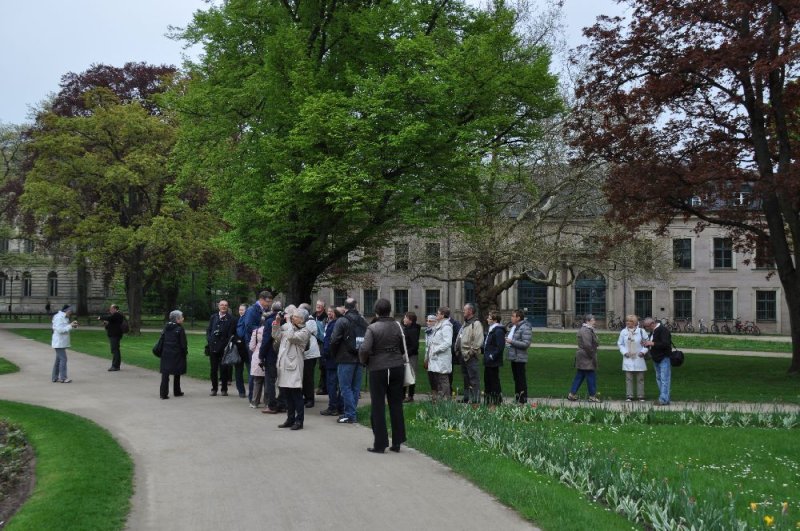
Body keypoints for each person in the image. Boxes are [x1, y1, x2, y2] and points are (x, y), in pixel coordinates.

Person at [359, 298, 406, 453]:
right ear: (390, 310)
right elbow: (402, 348)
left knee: (378, 405)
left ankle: (380, 444)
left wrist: (364, 361)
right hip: (397, 366)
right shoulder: (398, 326)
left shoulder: (372, 328)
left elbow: (365, 349)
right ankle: (397, 441)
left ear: (376, 311)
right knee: (396, 404)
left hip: (378, 368)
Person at [329, 297, 369, 424]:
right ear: (356, 306)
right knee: (355, 388)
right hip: (360, 357)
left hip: (345, 358)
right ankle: (352, 412)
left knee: (345, 387)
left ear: (345, 307)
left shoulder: (342, 321)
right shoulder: (363, 321)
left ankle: (350, 414)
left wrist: (334, 354)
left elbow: (334, 340)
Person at [272, 307, 310, 430]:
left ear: (302, 319)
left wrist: (288, 322)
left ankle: (299, 421)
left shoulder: (305, 331)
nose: (293, 317)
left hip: (294, 367)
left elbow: (291, 337)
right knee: (287, 394)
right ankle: (290, 419)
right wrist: (277, 323)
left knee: (296, 395)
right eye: (292, 316)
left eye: (295, 316)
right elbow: (276, 335)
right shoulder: (289, 327)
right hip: (284, 366)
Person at [241, 291, 273, 400]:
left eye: (270, 302)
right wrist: (264, 330)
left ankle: (264, 398)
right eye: (267, 301)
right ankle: (252, 398)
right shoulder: (251, 310)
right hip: (253, 343)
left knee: (264, 370)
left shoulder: (267, 310)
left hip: (264, 343)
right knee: (255, 370)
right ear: (261, 299)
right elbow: (249, 326)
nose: (269, 304)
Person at [259, 301, 286, 414]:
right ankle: (282, 403)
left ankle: (272, 405)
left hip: (272, 354)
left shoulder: (270, 321)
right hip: (284, 354)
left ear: (272, 309)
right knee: (283, 379)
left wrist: (261, 355)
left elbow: (266, 340)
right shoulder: (286, 320)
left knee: (270, 380)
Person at [206, 300, 237, 396]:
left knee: (224, 369)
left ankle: (224, 389)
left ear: (227, 307)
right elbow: (209, 330)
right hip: (213, 347)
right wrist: (210, 340)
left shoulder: (231, 319)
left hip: (224, 348)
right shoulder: (213, 317)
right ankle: (214, 389)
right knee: (213, 369)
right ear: (218, 306)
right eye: (222, 305)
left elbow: (231, 335)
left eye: (225, 305)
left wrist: (225, 345)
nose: (223, 306)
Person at [568, 314, 600, 402]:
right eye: (593, 320)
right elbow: (587, 345)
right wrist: (592, 354)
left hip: (583, 355)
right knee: (590, 375)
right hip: (586, 356)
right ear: (587, 321)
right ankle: (592, 395)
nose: (594, 322)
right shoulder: (586, 330)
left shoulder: (587, 329)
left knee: (580, 375)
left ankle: (572, 394)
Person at [456, 303, 483, 404]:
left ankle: (475, 399)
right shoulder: (465, 323)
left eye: (465, 310)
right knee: (466, 378)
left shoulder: (476, 324)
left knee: (473, 378)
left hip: (470, 356)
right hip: (463, 355)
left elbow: (478, 341)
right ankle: (467, 397)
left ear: (470, 311)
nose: (463, 311)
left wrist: (470, 353)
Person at [617, 315, 648, 402]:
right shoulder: (623, 332)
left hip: (639, 357)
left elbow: (647, 343)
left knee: (640, 378)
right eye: (627, 321)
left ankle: (641, 395)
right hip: (628, 357)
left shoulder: (641, 331)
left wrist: (643, 352)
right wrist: (624, 352)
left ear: (634, 322)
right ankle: (629, 395)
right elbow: (620, 344)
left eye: (630, 321)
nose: (628, 323)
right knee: (628, 378)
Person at [425, 307, 453, 401]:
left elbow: (447, 343)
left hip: (442, 358)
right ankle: (441, 400)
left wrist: (436, 350)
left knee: (443, 378)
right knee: (438, 379)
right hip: (436, 358)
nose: (436, 315)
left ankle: (446, 400)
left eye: (438, 313)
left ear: (442, 315)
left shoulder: (446, 327)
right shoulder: (439, 325)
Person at [642, 317, 672, 406]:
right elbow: (653, 344)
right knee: (659, 379)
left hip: (664, 357)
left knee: (664, 379)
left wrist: (652, 343)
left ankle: (663, 399)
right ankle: (665, 398)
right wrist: (646, 344)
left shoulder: (663, 330)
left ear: (652, 324)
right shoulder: (653, 331)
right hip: (656, 358)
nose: (646, 329)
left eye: (646, 327)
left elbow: (666, 344)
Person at [505, 309, 533, 404]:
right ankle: (517, 399)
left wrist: (511, 342)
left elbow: (526, 344)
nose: (511, 318)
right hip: (514, 357)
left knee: (521, 380)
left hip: (520, 357)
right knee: (516, 379)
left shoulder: (525, 327)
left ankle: (522, 400)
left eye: (513, 316)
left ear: (518, 318)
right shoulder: (515, 327)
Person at [320, 306, 343, 416]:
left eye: (331, 312)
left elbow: (328, 341)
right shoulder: (342, 324)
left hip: (331, 359)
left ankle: (333, 407)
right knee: (340, 384)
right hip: (340, 357)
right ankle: (340, 406)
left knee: (332, 384)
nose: (329, 314)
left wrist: (325, 354)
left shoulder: (332, 325)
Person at [159, 310, 188, 400]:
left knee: (165, 374)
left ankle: (163, 393)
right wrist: (185, 352)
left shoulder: (166, 327)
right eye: (181, 317)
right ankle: (177, 391)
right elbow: (183, 344)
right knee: (177, 372)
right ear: (177, 319)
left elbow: (162, 340)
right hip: (177, 354)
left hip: (166, 353)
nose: (183, 319)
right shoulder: (180, 329)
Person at [299, 303, 321, 408]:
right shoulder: (306, 320)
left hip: (310, 354)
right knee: (304, 376)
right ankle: (305, 396)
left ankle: (310, 399)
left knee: (308, 377)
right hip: (305, 353)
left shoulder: (310, 321)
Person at [483, 311, 505, 406]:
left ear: (495, 320)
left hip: (493, 361)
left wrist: (492, 356)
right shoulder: (491, 329)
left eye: (489, 318)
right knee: (487, 381)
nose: (487, 319)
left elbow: (500, 347)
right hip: (488, 360)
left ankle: (497, 401)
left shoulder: (498, 330)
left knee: (494, 381)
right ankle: (488, 401)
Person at [51, 304, 78, 383]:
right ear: (67, 310)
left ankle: (55, 377)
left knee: (58, 360)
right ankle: (63, 378)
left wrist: (73, 326)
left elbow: (66, 328)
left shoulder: (65, 317)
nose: (71, 312)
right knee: (63, 359)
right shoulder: (59, 317)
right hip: (58, 342)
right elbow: (60, 330)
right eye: (71, 311)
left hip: (62, 342)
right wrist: (70, 325)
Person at [401, 312, 421, 403]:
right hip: (406, 355)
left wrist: (406, 355)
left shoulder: (413, 330)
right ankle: (402, 395)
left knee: (411, 375)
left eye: (406, 318)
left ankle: (410, 396)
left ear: (410, 320)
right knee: (404, 375)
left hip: (411, 356)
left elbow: (415, 346)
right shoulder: (407, 328)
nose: (404, 319)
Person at [98, 303, 124, 371]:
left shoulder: (117, 314)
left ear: (115, 309)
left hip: (115, 335)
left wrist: (100, 317)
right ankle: (116, 365)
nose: (110, 310)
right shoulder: (115, 315)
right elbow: (111, 323)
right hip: (113, 335)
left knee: (115, 350)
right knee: (114, 350)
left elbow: (109, 318)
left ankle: (115, 366)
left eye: (111, 309)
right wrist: (106, 324)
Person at [313, 299, 328, 395]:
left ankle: (323, 387)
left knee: (323, 366)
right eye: (317, 304)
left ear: (323, 307)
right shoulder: (312, 316)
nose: (318, 306)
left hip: (322, 343)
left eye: (320, 305)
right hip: (313, 343)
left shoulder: (326, 318)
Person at [423, 314, 437, 395]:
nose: (428, 322)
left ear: (435, 322)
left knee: (435, 375)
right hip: (428, 355)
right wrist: (426, 358)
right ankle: (433, 392)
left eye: (430, 321)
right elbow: (427, 346)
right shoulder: (427, 331)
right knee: (430, 375)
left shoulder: (436, 331)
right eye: (427, 320)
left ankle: (437, 392)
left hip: (435, 356)